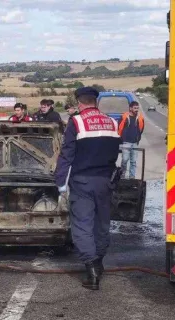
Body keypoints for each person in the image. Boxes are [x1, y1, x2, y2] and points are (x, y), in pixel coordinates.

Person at [54, 87, 121, 290]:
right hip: (105, 181)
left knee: (82, 226)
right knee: (101, 224)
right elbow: (115, 151)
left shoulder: (77, 122)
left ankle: (91, 271)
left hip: (83, 181)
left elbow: (67, 154)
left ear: (80, 103)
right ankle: (99, 262)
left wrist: (60, 184)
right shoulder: (112, 122)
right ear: (95, 102)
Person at [118, 101, 145, 179]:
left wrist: (137, 138)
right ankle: (122, 177)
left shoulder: (140, 118)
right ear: (130, 108)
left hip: (135, 143)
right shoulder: (124, 117)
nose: (136, 110)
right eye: (135, 108)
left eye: (137, 108)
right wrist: (122, 139)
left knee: (133, 162)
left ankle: (132, 177)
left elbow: (141, 129)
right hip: (126, 142)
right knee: (125, 160)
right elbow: (119, 129)